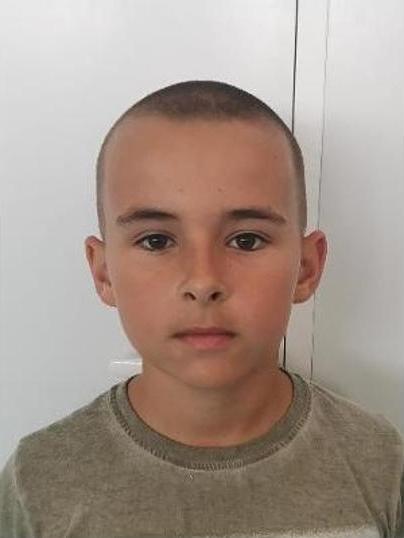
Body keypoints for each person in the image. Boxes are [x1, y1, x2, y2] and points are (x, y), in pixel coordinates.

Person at [0, 80, 403, 538]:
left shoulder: (380, 464)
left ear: (306, 268)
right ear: (104, 272)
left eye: (246, 240)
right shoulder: (39, 483)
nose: (203, 281)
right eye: (157, 241)